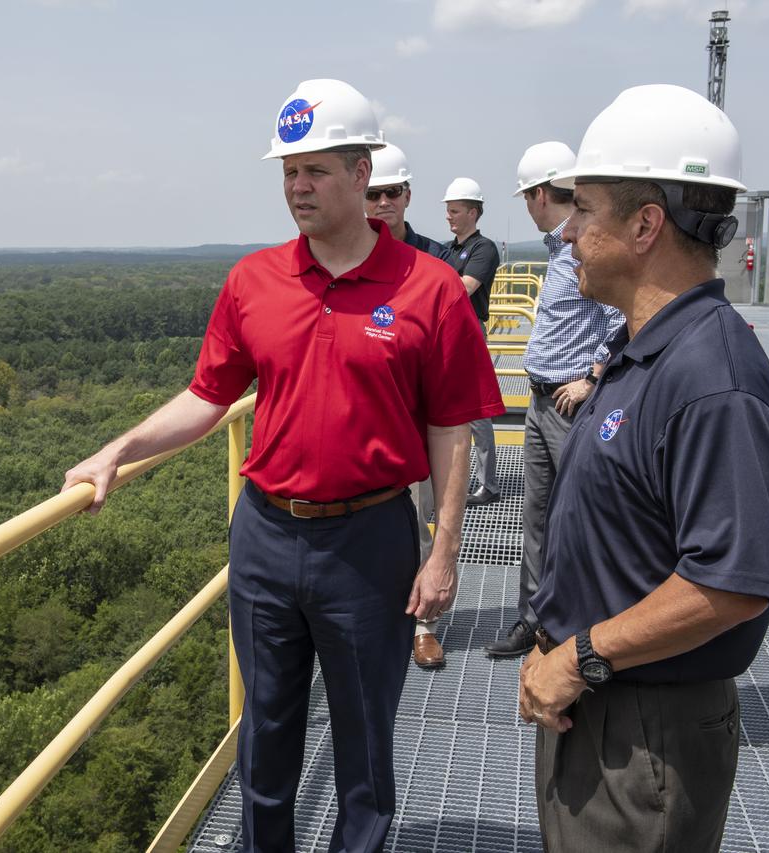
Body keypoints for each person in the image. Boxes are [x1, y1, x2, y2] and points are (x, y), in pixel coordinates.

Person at [63, 78, 504, 853]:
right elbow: (207, 397)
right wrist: (117, 450)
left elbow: (451, 428)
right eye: (288, 172)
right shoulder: (254, 281)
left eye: (316, 171)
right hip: (265, 535)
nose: (298, 188)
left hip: (369, 542)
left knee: (365, 743)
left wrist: (443, 552)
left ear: (363, 174)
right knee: (265, 735)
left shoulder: (428, 289)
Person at [516, 84, 769, 852]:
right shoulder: (647, 349)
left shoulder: (712, 380)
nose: (568, 233)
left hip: (646, 733)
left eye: (585, 211)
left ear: (645, 225)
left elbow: (730, 582)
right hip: (603, 699)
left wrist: (579, 654)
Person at [484, 141, 624, 659]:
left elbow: (619, 321)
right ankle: (534, 619)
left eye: (527, 197)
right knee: (538, 516)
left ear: (540, 193)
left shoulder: (587, 249)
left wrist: (591, 379)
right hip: (542, 403)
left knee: (579, 516)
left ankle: (582, 626)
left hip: (570, 404)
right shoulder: (559, 251)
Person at [364, 142, 453, 670]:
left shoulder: (433, 261)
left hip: (423, 419)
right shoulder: (347, 258)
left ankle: (423, 624)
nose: (381, 203)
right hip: (375, 420)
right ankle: (378, 613)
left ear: (407, 196)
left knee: (425, 516)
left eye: (391, 193)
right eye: (372, 194)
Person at [442, 177, 502, 506]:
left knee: (476, 411)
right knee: (449, 409)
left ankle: (488, 484)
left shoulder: (483, 248)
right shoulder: (448, 249)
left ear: (473, 213)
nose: (449, 217)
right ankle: (457, 477)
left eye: (455, 210)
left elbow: (463, 289)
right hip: (446, 331)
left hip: (468, 330)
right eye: (448, 211)